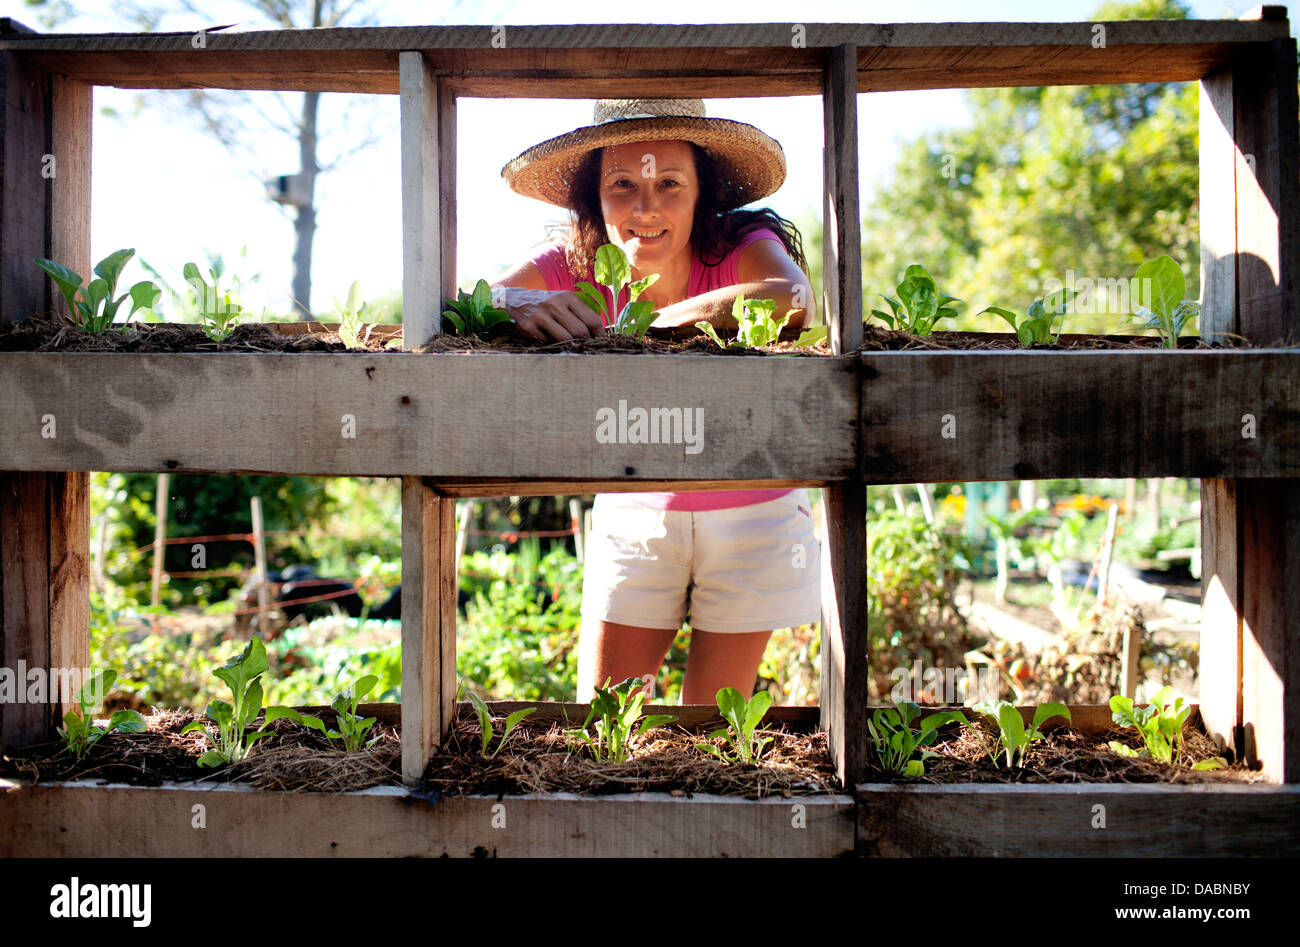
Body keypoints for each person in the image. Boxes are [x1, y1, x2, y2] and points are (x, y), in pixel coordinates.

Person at [493, 98, 822, 704]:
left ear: (704, 195)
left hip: (753, 509)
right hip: (635, 503)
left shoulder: (740, 246)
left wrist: (659, 327)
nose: (646, 207)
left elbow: (793, 296)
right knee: (608, 721)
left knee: (713, 727)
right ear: (594, 198)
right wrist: (515, 304)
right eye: (622, 185)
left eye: (669, 183)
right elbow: (479, 297)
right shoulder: (575, 262)